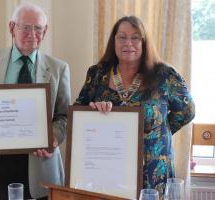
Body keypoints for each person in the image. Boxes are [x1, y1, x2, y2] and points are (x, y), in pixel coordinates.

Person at [0, 2, 70, 200]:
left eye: (38, 28)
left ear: (45, 31)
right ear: (11, 27)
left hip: (40, 164)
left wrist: (54, 138)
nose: (32, 33)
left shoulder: (59, 68)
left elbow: (64, 116)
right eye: (25, 27)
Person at [74, 16, 195, 198]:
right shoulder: (97, 73)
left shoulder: (165, 75)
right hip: (109, 169)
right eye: (122, 37)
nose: (128, 43)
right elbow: (78, 114)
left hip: (154, 173)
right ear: (113, 41)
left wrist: (160, 132)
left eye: (135, 37)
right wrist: (93, 112)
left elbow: (187, 111)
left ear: (144, 42)